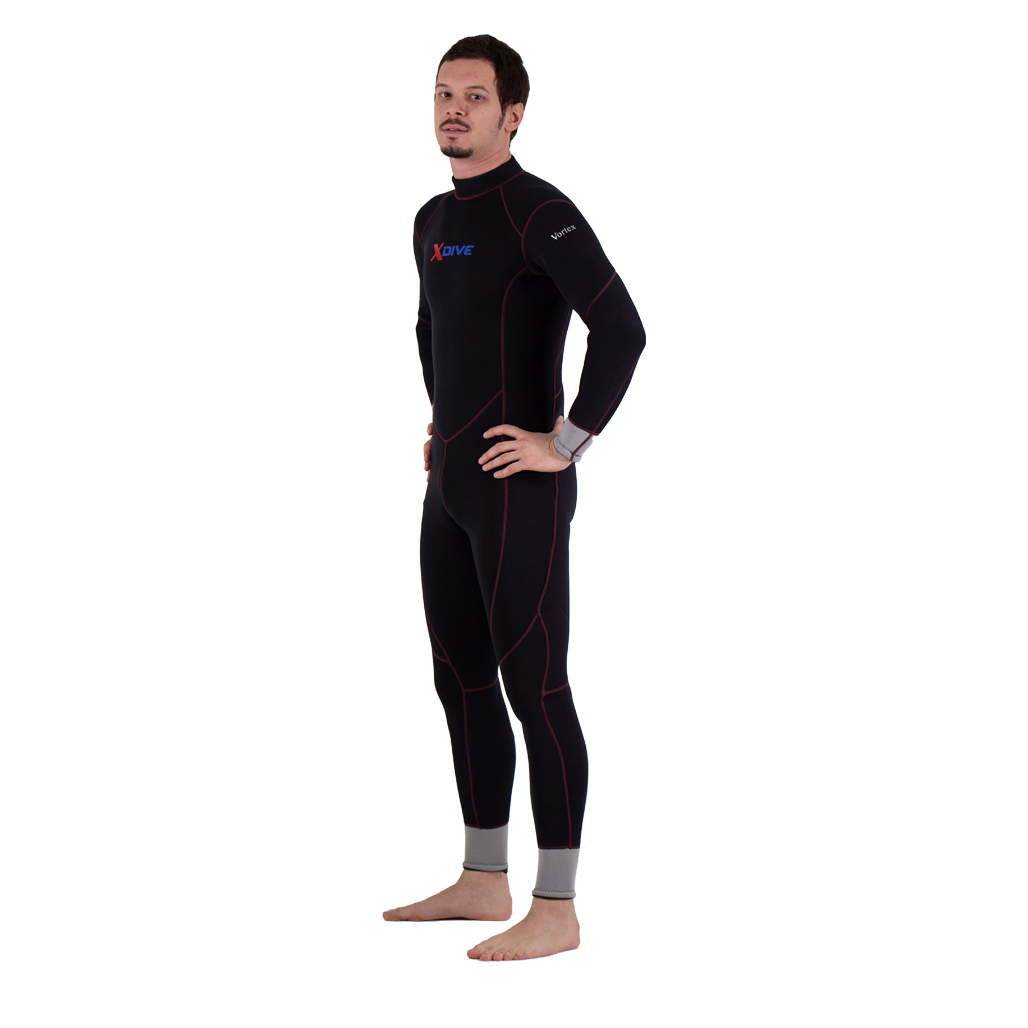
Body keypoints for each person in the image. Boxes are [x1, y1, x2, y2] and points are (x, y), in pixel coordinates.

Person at [382, 34, 646, 960]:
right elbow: (433, 330)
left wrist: (563, 443)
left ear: (514, 114)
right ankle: (483, 878)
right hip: (451, 485)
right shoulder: (430, 219)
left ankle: (557, 906)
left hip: (518, 492)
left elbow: (622, 328)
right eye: (443, 94)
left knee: (537, 686)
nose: (454, 109)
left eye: (475, 97)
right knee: (459, 678)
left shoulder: (540, 211)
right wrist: (441, 423)